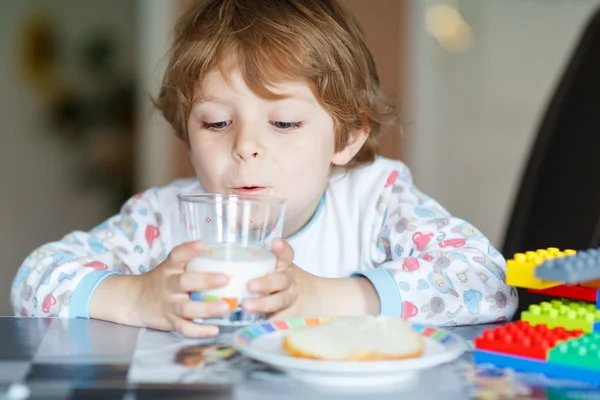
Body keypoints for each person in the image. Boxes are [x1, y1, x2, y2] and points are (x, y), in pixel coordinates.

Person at [11, 0, 517, 337]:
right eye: (216, 123)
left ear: (348, 135)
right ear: (186, 131)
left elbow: (489, 281)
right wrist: (136, 298)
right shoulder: (162, 218)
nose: (246, 147)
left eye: (284, 122)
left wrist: (331, 296)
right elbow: (33, 280)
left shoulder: (377, 200)